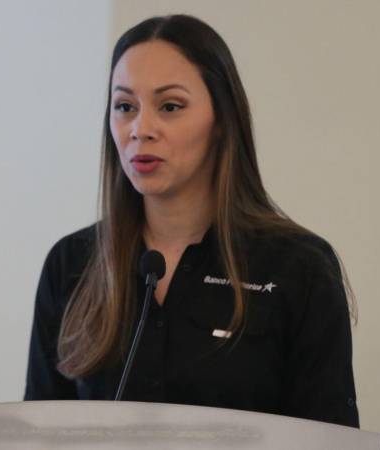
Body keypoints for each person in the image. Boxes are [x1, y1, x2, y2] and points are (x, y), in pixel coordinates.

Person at [24, 14, 359, 428]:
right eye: (125, 107)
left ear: (221, 120)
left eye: (170, 107)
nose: (141, 129)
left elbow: (332, 438)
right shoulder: (71, 263)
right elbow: (37, 435)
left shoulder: (298, 267)